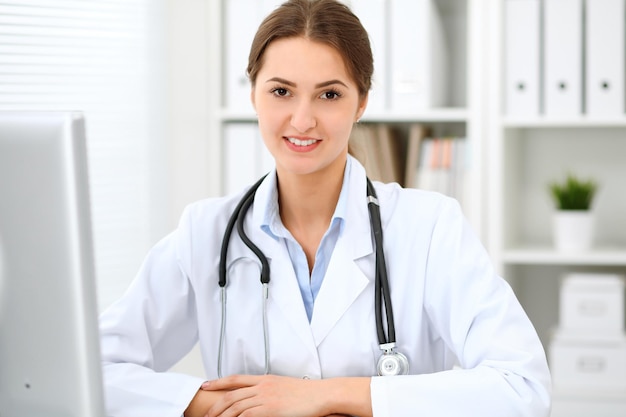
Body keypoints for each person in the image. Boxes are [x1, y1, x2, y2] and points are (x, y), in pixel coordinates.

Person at [99, 0, 552, 416]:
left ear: (362, 103)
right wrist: (203, 404)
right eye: (281, 91)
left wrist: (323, 395)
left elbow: (521, 387)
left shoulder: (429, 227)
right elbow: (93, 368)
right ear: (253, 92)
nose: (302, 119)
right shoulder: (206, 232)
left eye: (329, 94)